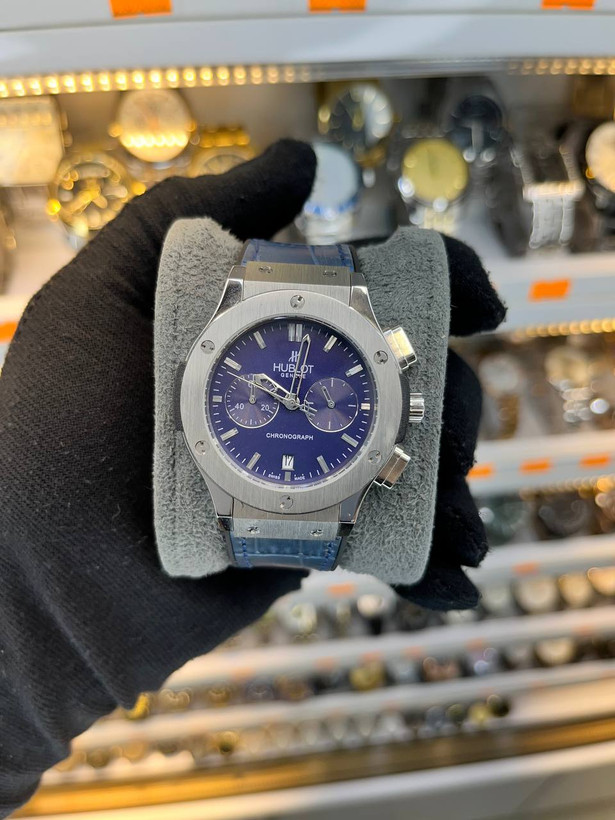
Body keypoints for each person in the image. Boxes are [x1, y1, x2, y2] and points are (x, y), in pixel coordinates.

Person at [0, 139, 504, 817]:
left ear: (402, 403)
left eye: (298, 404)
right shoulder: (223, 348)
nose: (292, 407)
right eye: (277, 399)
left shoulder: (341, 378)